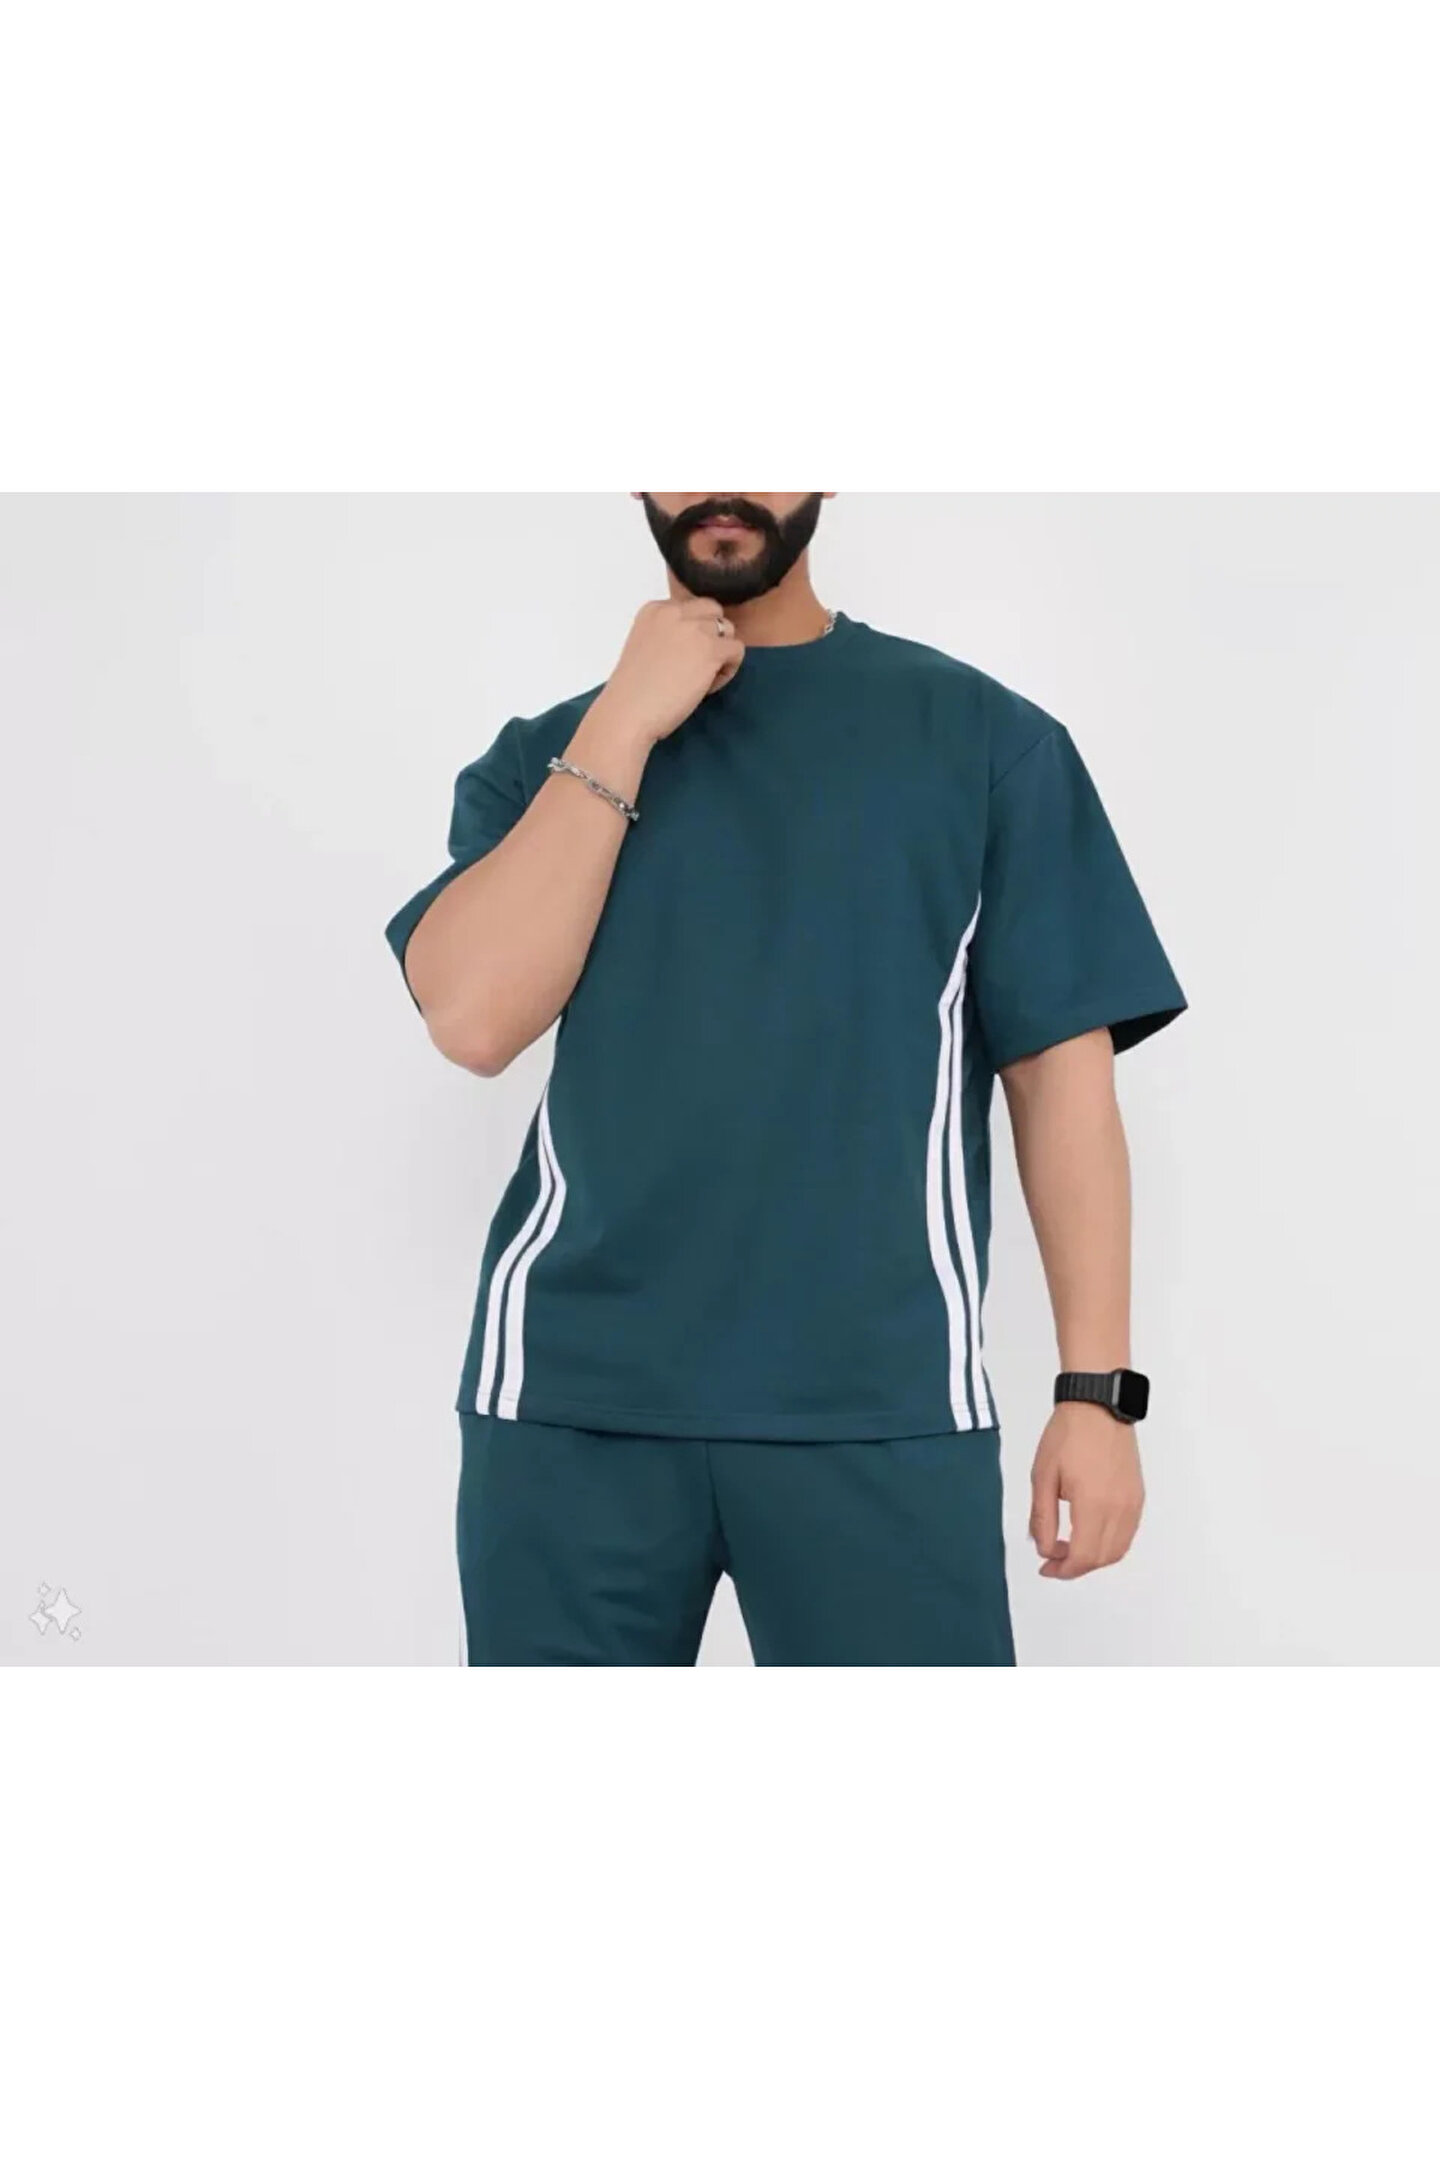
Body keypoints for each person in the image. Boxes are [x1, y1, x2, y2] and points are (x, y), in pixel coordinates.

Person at [384, 494, 1186, 1666]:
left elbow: (1061, 1084)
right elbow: (471, 1019)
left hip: (880, 1405)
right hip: (568, 1405)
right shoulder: (550, 756)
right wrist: (624, 723)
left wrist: (1097, 1394)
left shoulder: (984, 741)